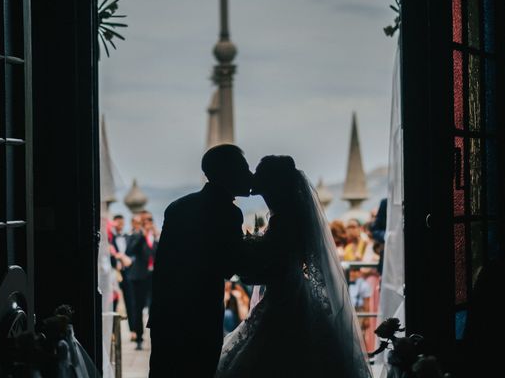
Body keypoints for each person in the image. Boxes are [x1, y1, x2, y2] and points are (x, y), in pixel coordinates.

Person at [216, 155, 372, 378]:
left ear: (272, 182)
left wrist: (246, 258)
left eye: (259, 172)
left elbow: (274, 264)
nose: (253, 176)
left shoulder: (284, 221)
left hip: (284, 301)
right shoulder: (287, 216)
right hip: (290, 295)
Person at [148, 144, 253, 377]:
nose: (250, 175)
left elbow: (164, 265)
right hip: (200, 316)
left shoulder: (177, 207)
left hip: (166, 312)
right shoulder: (228, 212)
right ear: (229, 173)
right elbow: (228, 267)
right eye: (244, 169)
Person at [126, 212, 158, 350]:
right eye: (145, 221)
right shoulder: (136, 236)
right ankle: (139, 336)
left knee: (154, 306)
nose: (148, 224)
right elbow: (130, 251)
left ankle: (155, 334)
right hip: (139, 277)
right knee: (138, 307)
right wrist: (142, 236)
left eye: (150, 221)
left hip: (153, 276)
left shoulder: (155, 238)